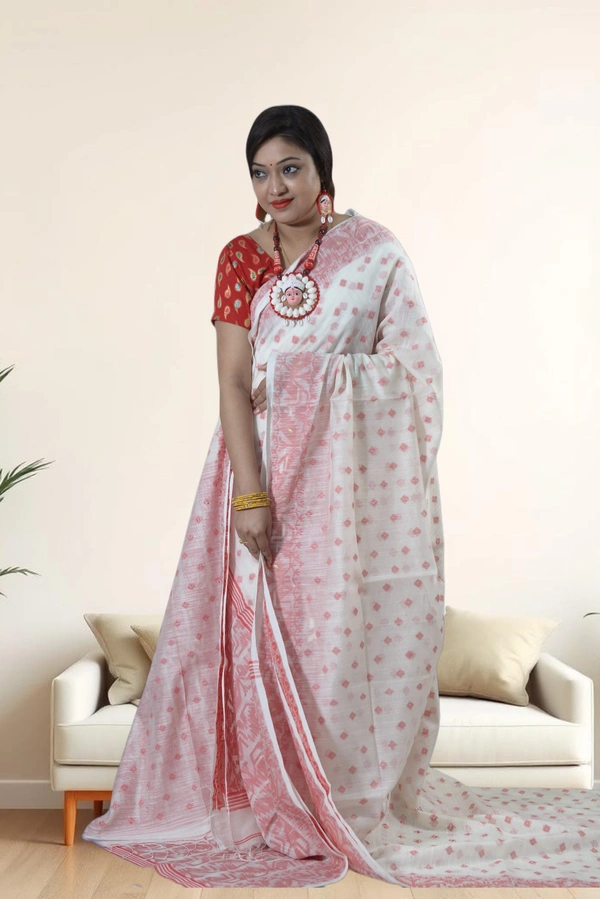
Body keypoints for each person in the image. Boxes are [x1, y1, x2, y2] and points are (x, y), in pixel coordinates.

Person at [82, 105, 600, 889]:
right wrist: (251, 496)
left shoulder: (374, 252)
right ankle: (263, 801)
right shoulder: (240, 258)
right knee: (261, 642)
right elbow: (232, 384)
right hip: (256, 477)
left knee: (334, 640)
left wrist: (307, 378)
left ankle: (343, 794)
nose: (276, 186)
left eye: (290, 167)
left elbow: (415, 371)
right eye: (261, 172)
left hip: (348, 503)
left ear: (323, 168)